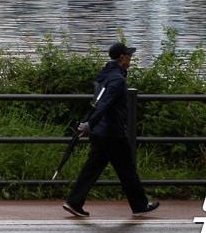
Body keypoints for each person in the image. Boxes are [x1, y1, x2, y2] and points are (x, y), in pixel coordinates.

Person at [61, 42, 160, 218]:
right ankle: (140, 205)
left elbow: (96, 102)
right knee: (127, 169)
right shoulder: (117, 79)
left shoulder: (104, 75)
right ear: (122, 58)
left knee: (93, 168)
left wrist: (88, 123)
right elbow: (104, 104)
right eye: (128, 55)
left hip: (100, 132)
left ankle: (74, 202)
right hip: (112, 132)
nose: (131, 58)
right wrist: (89, 123)